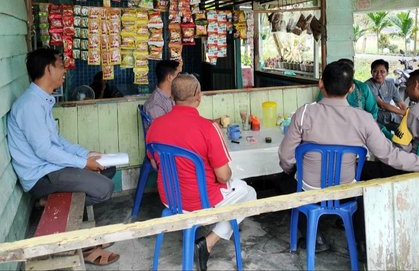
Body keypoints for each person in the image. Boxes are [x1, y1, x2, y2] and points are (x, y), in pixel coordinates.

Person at [278, 61, 419, 253]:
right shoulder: (364, 118)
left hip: (310, 186)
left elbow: (285, 156)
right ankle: (361, 242)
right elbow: (391, 156)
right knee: (366, 178)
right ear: (352, 88)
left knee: (283, 180)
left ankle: (314, 238)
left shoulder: (304, 113)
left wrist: (291, 170)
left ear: (321, 84)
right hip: (346, 186)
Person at [7, 48, 119, 264]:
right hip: (42, 176)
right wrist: (83, 163)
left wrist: (87, 155)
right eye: (60, 66)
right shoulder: (30, 105)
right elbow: (45, 151)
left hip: (52, 168)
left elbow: (57, 142)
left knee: (108, 168)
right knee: (106, 188)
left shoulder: (42, 100)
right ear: (48, 69)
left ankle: (51, 202)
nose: (64, 71)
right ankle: (84, 245)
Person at [146, 74, 256, 271]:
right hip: (201, 201)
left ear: (172, 96)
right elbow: (223, 176)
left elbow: (155, 165)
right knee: (249, 193)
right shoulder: (208, 127)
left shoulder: (155, 125)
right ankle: (209, 241)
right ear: (198, 96)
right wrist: (228, 175)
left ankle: (208, 241)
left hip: (169, 199)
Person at [363, 68, 419, 179]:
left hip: (415, 168)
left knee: (362, 167)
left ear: (416, 84)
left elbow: (399, 151)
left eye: (408, 85)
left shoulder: (414, 112)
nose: (407, 90)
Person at [365, 59, 407, 133]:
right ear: (371, 72)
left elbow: (400, 103)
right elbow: (382, 105)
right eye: (375, 71)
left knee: (406, 121)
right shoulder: (367, 85)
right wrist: (402, 113)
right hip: (374, 115)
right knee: (398, 122)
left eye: (382, 71)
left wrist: (407, 113)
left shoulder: (390, 85)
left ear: (387, 73)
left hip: (386, 115)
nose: (378, 74)